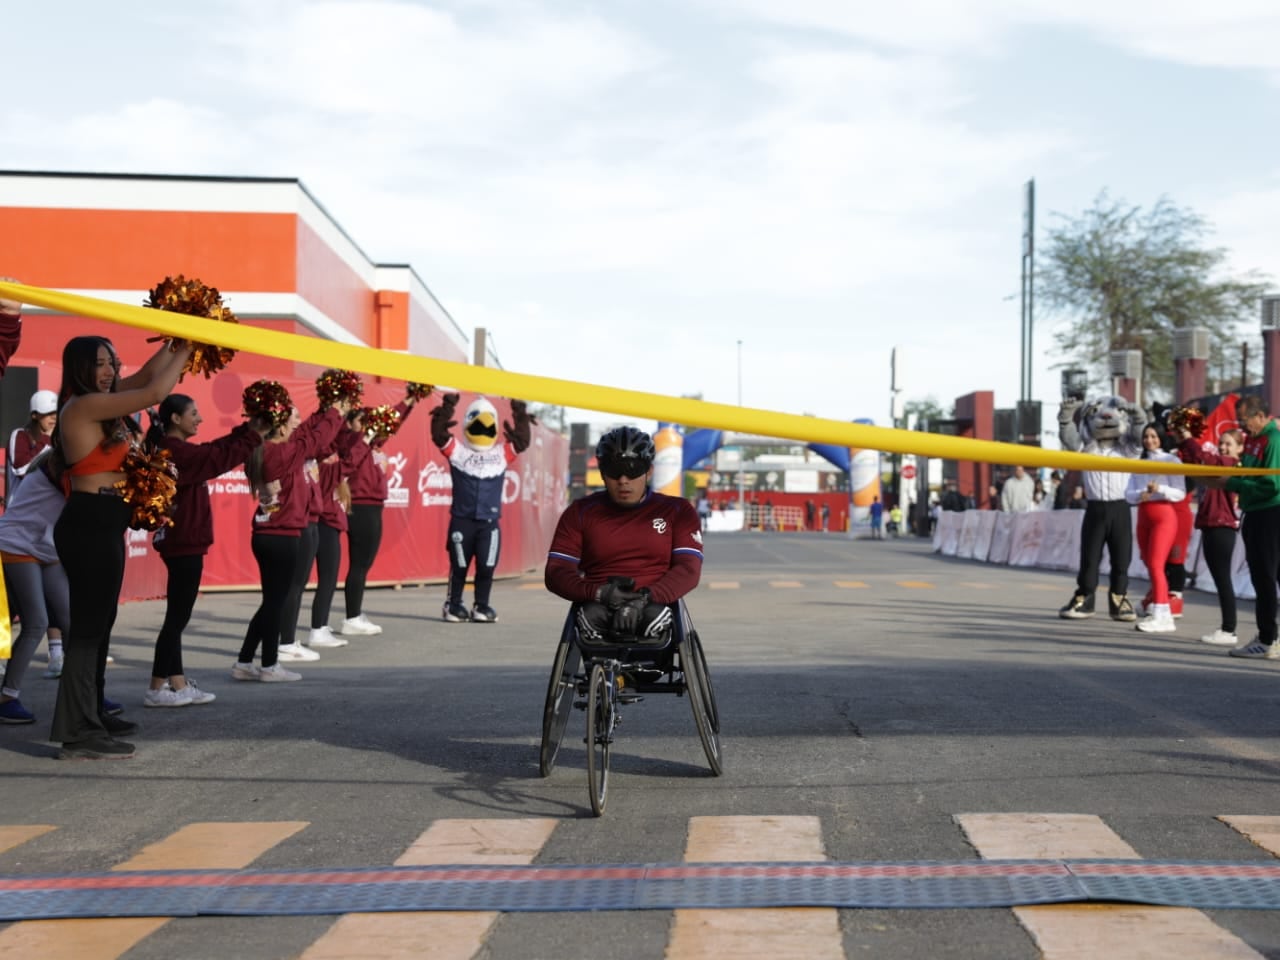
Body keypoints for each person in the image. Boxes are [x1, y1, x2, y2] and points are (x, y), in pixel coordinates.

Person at [50, 334, 193, 760]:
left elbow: (149, 375)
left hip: (103, 524)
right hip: (89, 524)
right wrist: (191, 344)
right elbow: (154, 391)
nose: (110, 371)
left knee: (101, 625)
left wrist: (178, 337)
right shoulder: (83, 405)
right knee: (89, 631)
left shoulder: (102, 400)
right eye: (100, 363)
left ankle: (92, 713)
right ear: (79, 367)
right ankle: (77, 732)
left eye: (112, 362)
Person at [146, 394, 265, 706]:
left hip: (182, 541)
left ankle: (178, 684)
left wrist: (245, 430)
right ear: (175, 419)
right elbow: (216, 458)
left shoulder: (175, 448)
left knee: (177, 616)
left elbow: (214, 450)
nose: (199, 418)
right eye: (194, 413)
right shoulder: (175, 450)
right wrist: (253, 435)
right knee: (177, 619)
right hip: (183, 542)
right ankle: (157, 689)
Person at [544, 426, 702, 653]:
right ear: (601, 472)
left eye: (632, 469)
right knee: (588, 617)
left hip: (654, 602)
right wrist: (599, 593)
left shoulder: (678, 511)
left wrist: (645, 598)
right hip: (598, 602)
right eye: (614, 471)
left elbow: (688, 570)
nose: (623, 480)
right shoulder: (579, 512)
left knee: (654, 618)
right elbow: (556, 572)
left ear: (649, 471)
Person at [234, 382, 350, 682]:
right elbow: (316, 438)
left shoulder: (264, 449)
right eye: (289, 422)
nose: (294, 427)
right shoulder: (281, 453)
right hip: (281, 536)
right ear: (281, 428)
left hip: (266, 534)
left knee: (271, 600)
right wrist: (335, 413)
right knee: (276, 601)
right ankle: (270, 665)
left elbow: (312, 436)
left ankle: (245, 661)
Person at [432, 393, 530, 623]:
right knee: (460, 566)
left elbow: (522, 440)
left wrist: (519, 412)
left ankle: (481, 606)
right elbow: (438, 434)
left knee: (487, 565)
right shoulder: (458, 451)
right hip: (462, 520)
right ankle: (453, 605)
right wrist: (447, 406)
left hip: (489, 523)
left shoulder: (500, 454)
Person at [1206, 396, 1280, 660]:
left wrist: (1232, 484)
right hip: (1254, 512)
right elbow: (1248, 473)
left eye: (1245, 420)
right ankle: (1271, 637)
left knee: (1265, 577)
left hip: (1269, 513)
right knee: (1265, 577)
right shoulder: (1253, 439)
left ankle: (1268, 638)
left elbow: (1272, 484)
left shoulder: (1272, 440)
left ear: (1260, 416)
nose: (1242, 426)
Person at [341, 387, 419, 635]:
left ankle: (355, 613)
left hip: (374, 507)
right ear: (350, 424)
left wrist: (409, 400)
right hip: (360, 506)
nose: (367, 426)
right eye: (361, 421)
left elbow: (393, 420)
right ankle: (351, 618)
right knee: (359, 563)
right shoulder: (352, 442)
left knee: (364, 563)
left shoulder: (373, 442)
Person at [0, 448, 67, 724]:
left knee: (71, 621)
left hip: (46, 550)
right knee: (36, 622)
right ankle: (6, 698)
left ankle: (87, 694)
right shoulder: (59, 464)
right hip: (17, 545)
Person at [1175, 426, 1242, 647]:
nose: (1223, 447)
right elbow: (1195, 461)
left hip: (1223, 527)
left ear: (1239, 449)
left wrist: (1188, 439)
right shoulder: (1217, 463)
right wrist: (1184, 443)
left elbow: (1203, 457)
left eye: (1228, 444)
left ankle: (1229, 629)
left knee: (1223, 580)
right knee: (1220, 579)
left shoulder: (1231, 465)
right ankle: (1227, 628)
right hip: (1210, 525)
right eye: (1221, 443)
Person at [1126, 424, 1185, 634]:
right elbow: (1128, 494)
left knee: (1156, 563)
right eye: (1146, 436)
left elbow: (1179, 492)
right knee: (1149, 563)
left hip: (1164, 517)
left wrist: (1159, 489)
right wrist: (1142, 492)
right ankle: (1158, 608)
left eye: (1153, 436)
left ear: (1161, 437)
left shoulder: (1171, 460)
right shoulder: (1139, 463)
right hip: (1144, 516)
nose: (1149, 440)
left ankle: (1163, 614)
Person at [6, 388, 57, 498]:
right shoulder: (20, 435)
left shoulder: (60, 439)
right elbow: (22, 470)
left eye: (56, 412)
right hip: (22, 513)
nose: (54, 417)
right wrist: (46, 439)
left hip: (51, 512)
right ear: (34, 415)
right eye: (48, 413)